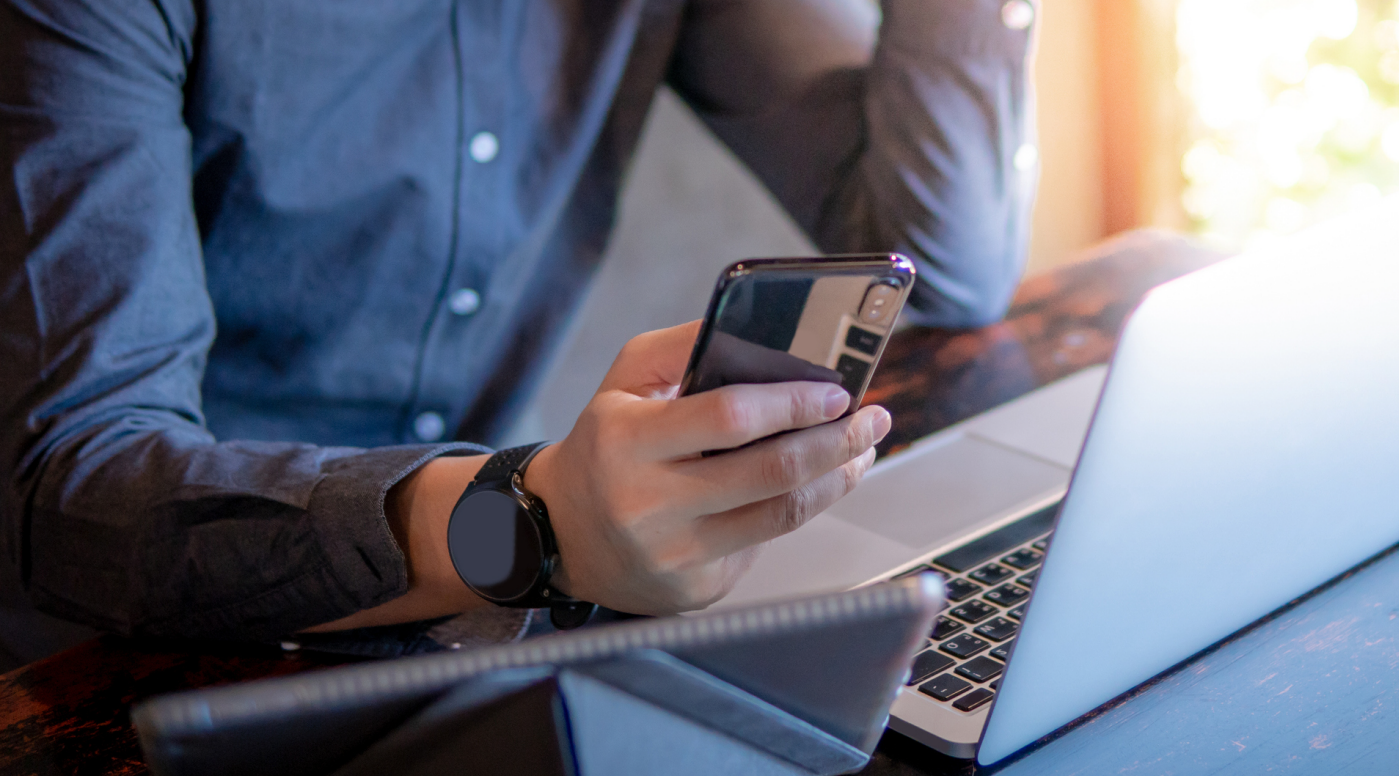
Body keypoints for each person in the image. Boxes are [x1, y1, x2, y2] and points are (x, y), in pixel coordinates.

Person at [0, 0, 1036, 670]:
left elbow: (940, 264)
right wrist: (533, 521)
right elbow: (76, 494)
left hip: (476, 630)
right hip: (112, 666)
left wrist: (544, 530)